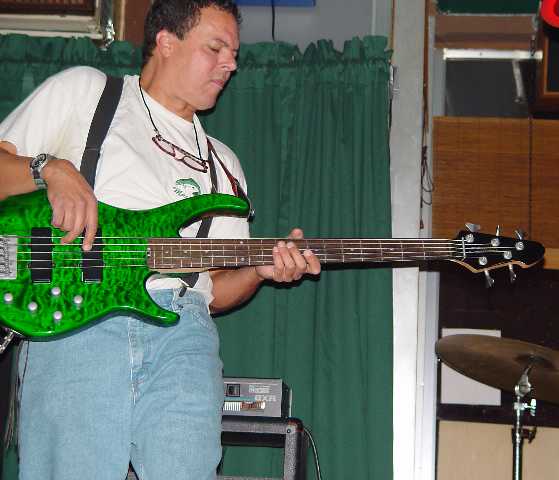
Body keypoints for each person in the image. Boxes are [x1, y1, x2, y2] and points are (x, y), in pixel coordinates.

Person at [0, 1, 321, 479]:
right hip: (76, 321)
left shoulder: (225, 167)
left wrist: (257, 272)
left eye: (234, 54)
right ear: (166, 42)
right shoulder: (87, 93)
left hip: (183, 333)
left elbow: (214, 289)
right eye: (216, 48)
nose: (230, 64)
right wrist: (50, 168)